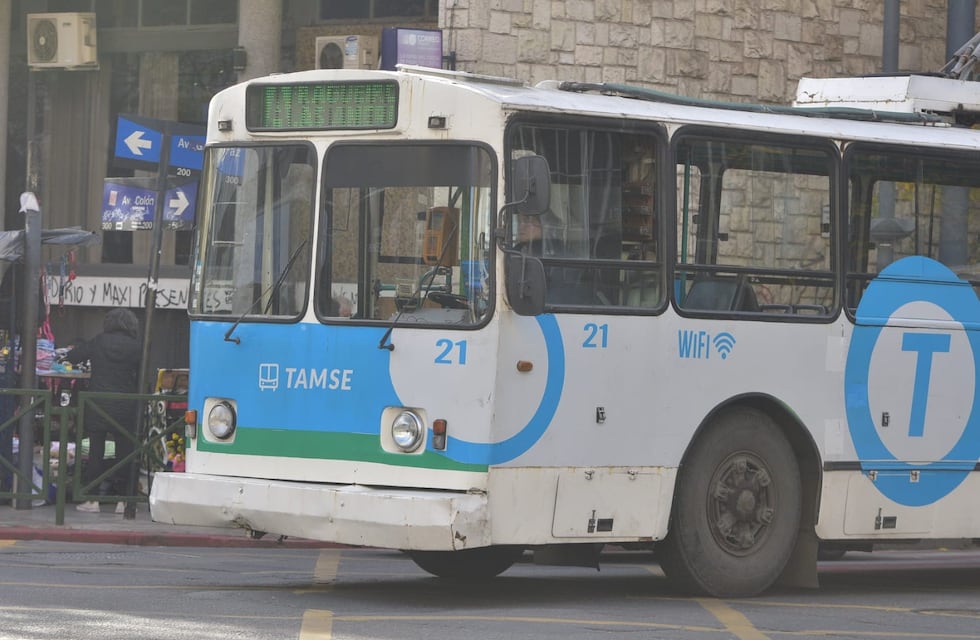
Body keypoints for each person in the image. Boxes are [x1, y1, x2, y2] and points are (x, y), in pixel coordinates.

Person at [64, 308, 141, 513]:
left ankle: (92, 500)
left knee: (95, 453)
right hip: (125, 404)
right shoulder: (137, 346)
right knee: (124, 453)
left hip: (98, 404)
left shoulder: (99, 341)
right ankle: (123, 501)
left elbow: (73, 357)